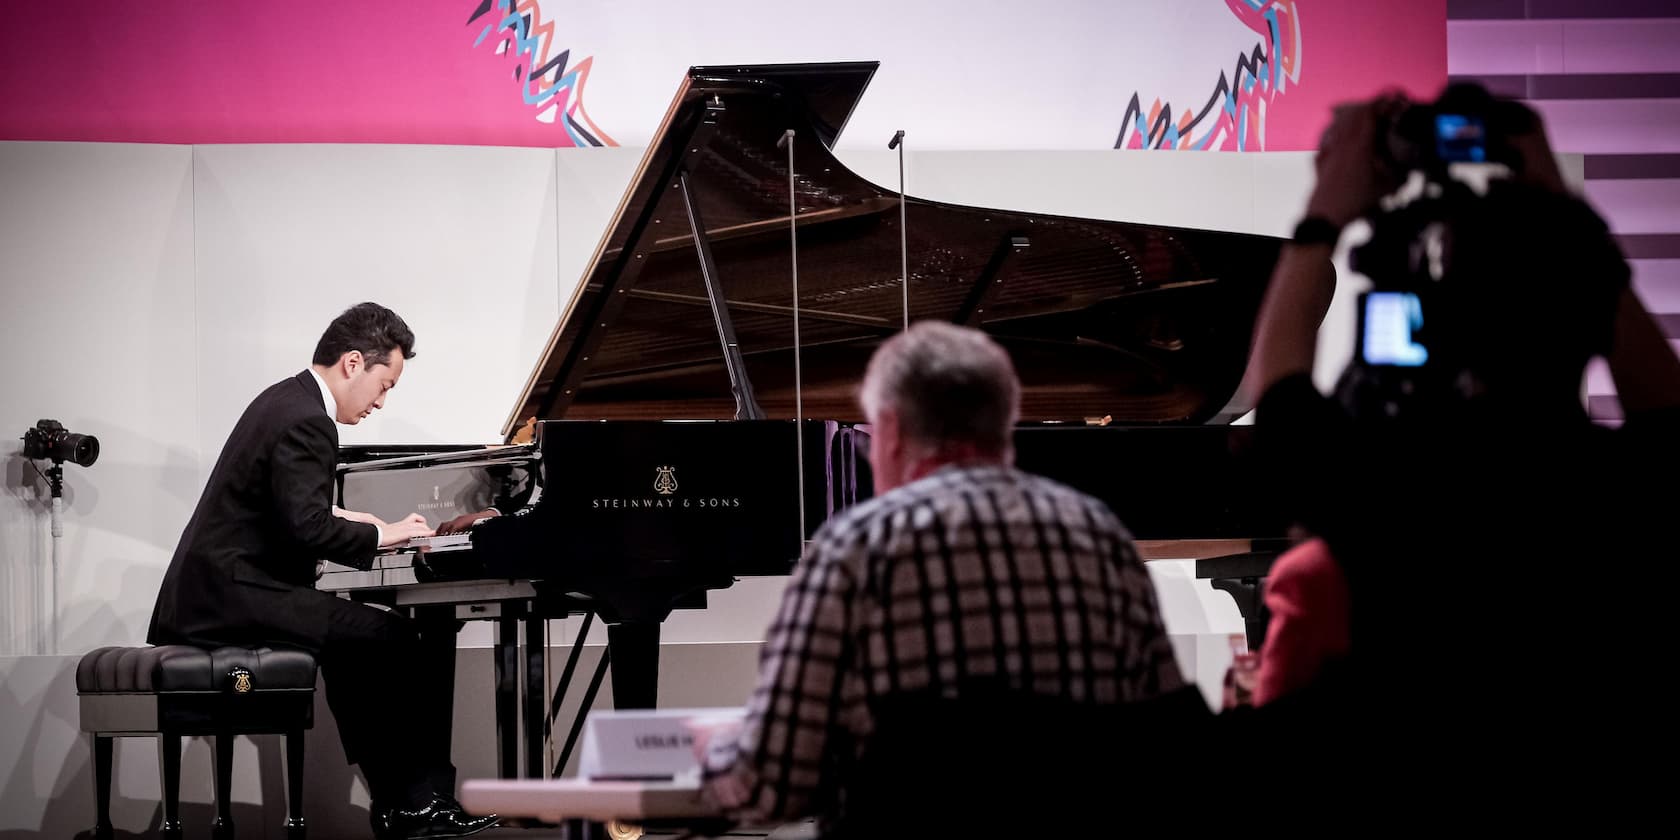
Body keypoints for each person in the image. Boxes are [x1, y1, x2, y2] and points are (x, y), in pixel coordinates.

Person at [1235, 86, 1680, 815]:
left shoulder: (1382, 494)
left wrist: (1325, 213)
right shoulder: (1619, 489)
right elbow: (1663, 404)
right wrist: (1557, 205)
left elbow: (1277, 381)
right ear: (1589, 320)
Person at [694, 321, 1192, 836]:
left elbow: (771, 788)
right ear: (1004, 425)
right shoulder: (1101, 537)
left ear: (888, 432)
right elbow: (1166, 741)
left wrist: (714, 746)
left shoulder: (856, 551)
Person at [147, 302, 499, 840]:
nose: (381, 402)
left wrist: (357, 519)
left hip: (217, 592)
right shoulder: (310, 420)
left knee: (362, 642)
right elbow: (305, 528)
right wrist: (384, 534)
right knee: (395, 639)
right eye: (385, 385)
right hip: (232, 596)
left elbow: (287, 505)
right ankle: (414, 802)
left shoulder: (284, 399)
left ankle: (405, 803)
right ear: (353, 363)